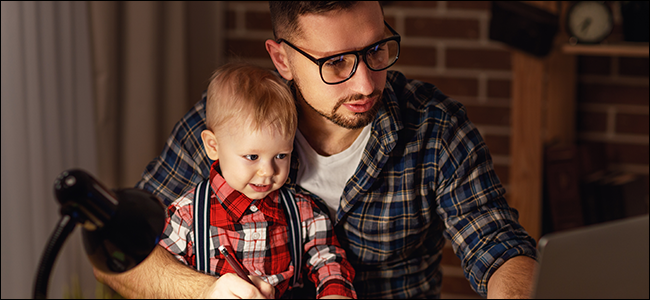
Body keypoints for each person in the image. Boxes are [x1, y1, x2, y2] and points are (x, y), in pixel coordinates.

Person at [94, 1, 538, 298]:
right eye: (336, 62)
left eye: (377, 49)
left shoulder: (435, 129)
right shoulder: (223, 128)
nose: (366, 84)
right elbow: (118, 253)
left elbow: (498, 246)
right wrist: (206, 290)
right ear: (282, 59)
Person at [156, 62, 356, 299]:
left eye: (281, 155)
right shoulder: (187, 216)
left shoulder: (302, 211)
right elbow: (164, 279)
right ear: (213, 146)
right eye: (252, 157)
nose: (267, 171)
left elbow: (329, 258)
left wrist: (335, 292)